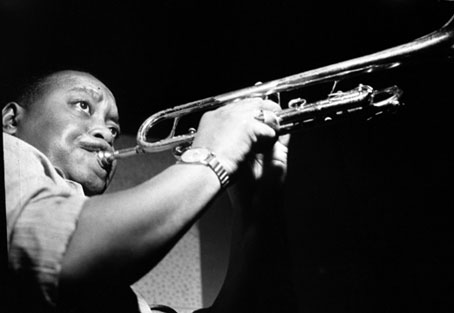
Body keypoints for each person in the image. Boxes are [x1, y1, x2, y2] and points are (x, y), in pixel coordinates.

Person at [2, 70, 295, 313]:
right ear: (11, 120)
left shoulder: (117, 294)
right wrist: (212, 157)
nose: (106, 134)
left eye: (114, 130)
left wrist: (257, 210)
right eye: (82, 106)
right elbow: (58, 253)